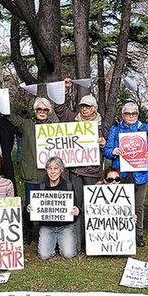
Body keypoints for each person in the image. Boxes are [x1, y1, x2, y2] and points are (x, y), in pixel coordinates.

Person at [54, 79, 107, 251]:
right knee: (76, 206)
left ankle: (93, 240)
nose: (84, 109)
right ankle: (77, 241)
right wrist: (65, 89)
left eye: (88, 106)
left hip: (93, 171)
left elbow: (109, 143)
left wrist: (104, 142)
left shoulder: (102, 124)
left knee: (91, 206)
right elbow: (60, 109)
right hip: (75, 171)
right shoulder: (72, 119)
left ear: (94, 108)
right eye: (82, 106)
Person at [1, 98, 58, 245]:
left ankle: (47, 232)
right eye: (39, 109)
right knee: (30, 205)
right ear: (35, 110)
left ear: (49, 112)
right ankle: (27, 232)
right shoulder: (27, 124)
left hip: (49, 174)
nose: (42, 112)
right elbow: (10, 116)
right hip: (31, 172)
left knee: (48, 204)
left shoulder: (55, 128)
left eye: (45, 110)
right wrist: (1, 97)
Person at [103, 102, 148, 247]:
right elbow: (106, 150)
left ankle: (138, 234)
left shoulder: (144, 128)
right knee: (120, 205)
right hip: (121, 173)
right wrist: (113, 152)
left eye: (134, 113)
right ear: (122, 115)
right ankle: (121, 233)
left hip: (140, 173)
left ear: (138, 114)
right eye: (128, 114)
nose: (131, 116)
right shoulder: (115, 129)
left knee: (139, 206)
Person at [28, 156, 79, 260]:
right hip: (47, 226)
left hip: (65, 226)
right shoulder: (41, 187)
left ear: (61, 170)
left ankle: (59, 242)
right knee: (44, 255)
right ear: (46, 170)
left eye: (55, 168)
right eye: (49, 168)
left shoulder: (68, 186)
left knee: (68, 254)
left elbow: (75, 206)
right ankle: (53, 242)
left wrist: (77, 211)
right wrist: (28, 209)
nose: (52, 172)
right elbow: (33, 210)